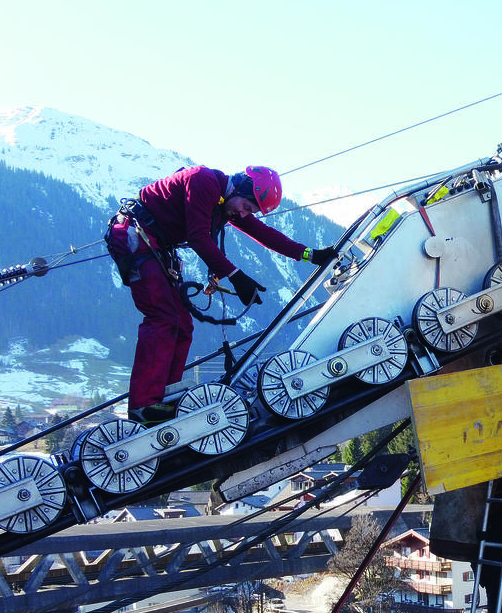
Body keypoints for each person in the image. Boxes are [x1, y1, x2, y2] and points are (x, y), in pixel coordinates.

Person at [106, 165, 335, 426]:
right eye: (247, 207)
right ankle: (144, 405)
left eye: (250, 211)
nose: (243, 214)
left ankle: (165, 397)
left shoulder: (228, 200)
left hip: (152, 243)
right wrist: (236, 276)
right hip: (135, 237)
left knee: (182, 325)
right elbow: (198, 237)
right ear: (242, 189)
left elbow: (263, 234)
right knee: (163, 318)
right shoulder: (204, 182)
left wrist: (309, 254)